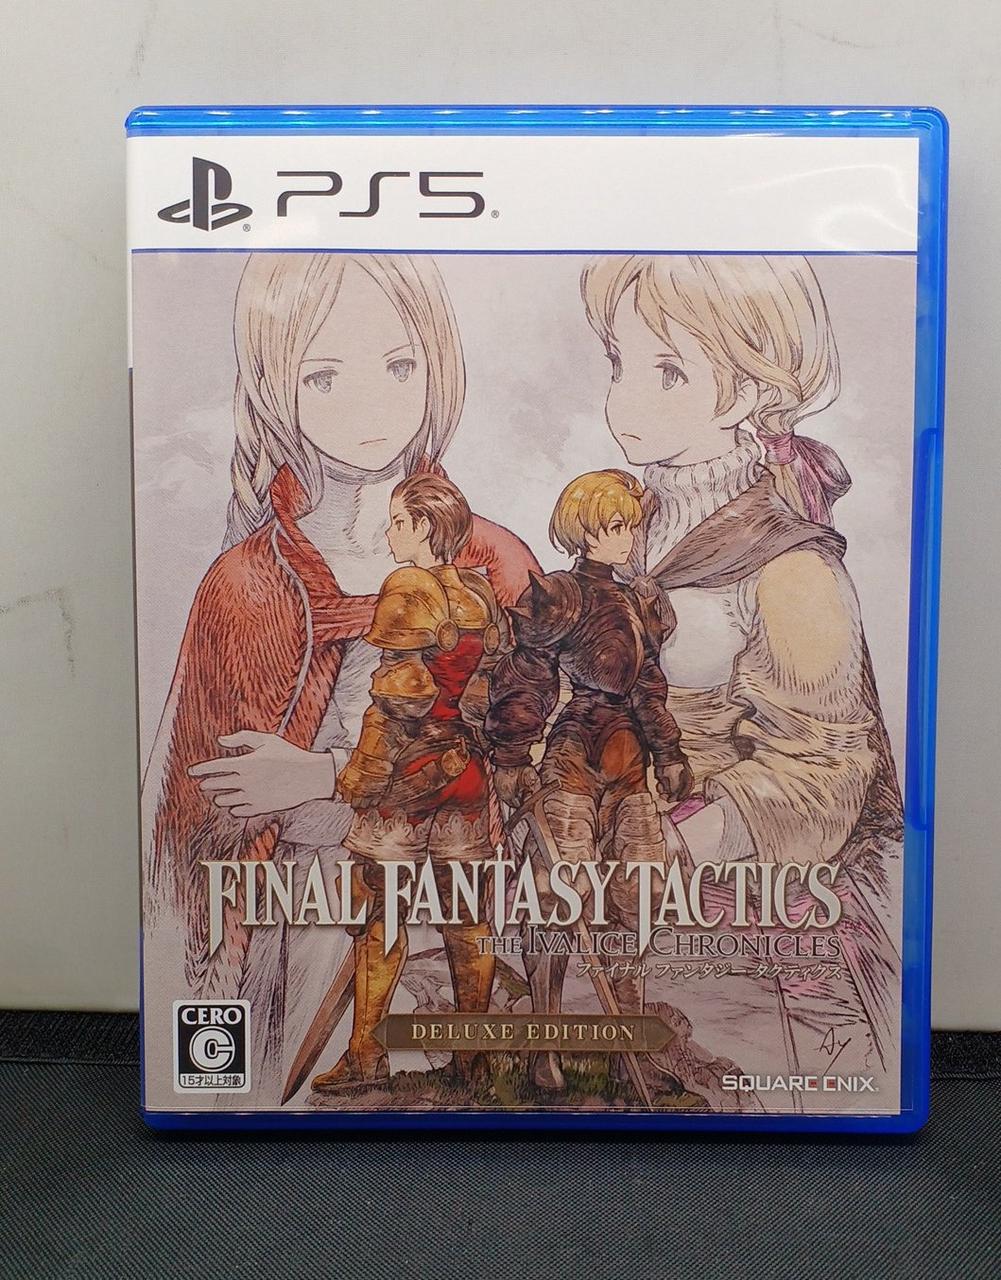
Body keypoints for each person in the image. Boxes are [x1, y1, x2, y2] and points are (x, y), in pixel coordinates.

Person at [143, 254, 537, 1103]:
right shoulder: (246, 581)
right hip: (300, 912)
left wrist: (323, 775)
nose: (369, 406)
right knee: (283, 1087)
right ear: (275, 388)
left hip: (462, 878)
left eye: (398, 366)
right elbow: (188, 817)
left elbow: (527, 736)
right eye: (323, 377)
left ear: (438, 365)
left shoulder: (496, 562)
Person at [578, 255, 903, 1101]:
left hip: (750, 911)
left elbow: (826, 766)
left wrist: (677, 840)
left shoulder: (790, 566)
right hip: (615, 886)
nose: (625, 397)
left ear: (748, 391)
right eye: (618, 363)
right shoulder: (617, 532)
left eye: (668, 371)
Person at [485, 470, 692, 1092]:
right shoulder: (558, 597)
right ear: (585, 531)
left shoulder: (641, 603)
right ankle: (542, 1048)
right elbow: (528, 678)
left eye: (631, 525)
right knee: (556, 903)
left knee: (636, 902)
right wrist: (511, 756)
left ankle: (631, 1053)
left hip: (630, 770)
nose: (628, 538)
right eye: (615, 526)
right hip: (573, 764)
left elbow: (649, 686)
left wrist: (669, 753)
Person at [311, 473, 506, 1093]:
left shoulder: (408, 587)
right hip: (466, 778)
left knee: (382, 917)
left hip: (408, 780)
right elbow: (484, 693)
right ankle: (471, 1062)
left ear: (423, 526)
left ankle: (366, 1058)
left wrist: (362, 776)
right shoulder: (479, 593)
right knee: (468, 920)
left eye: (398, 521)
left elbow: (399, 701)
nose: (391, 532)